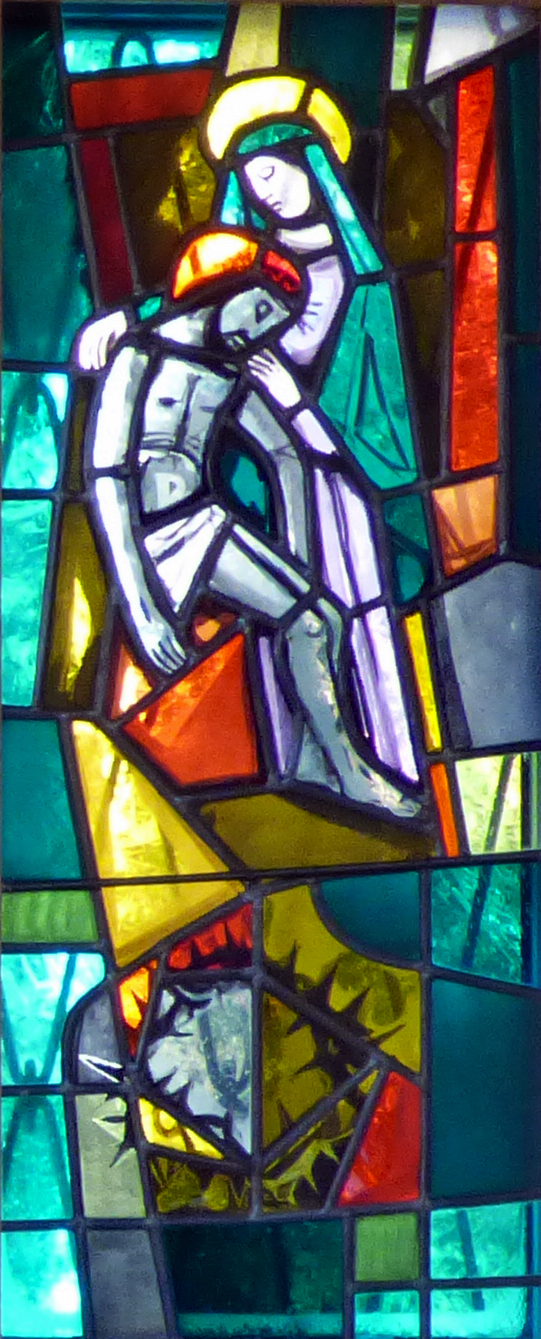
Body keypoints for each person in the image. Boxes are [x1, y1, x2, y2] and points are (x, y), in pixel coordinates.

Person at [80, 225, 420, 819]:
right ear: (223, 288)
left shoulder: (229, 371)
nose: (260, 330)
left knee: (320, 619)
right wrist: (142, 608)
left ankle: (321, 763)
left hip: (202, 524)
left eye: (273, 321)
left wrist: (298, 554)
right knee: (310, 619)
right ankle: (346, 772)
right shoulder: (137, 355)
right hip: (151, 539)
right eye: (259, 309)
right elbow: (107, 480)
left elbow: (284, 453)